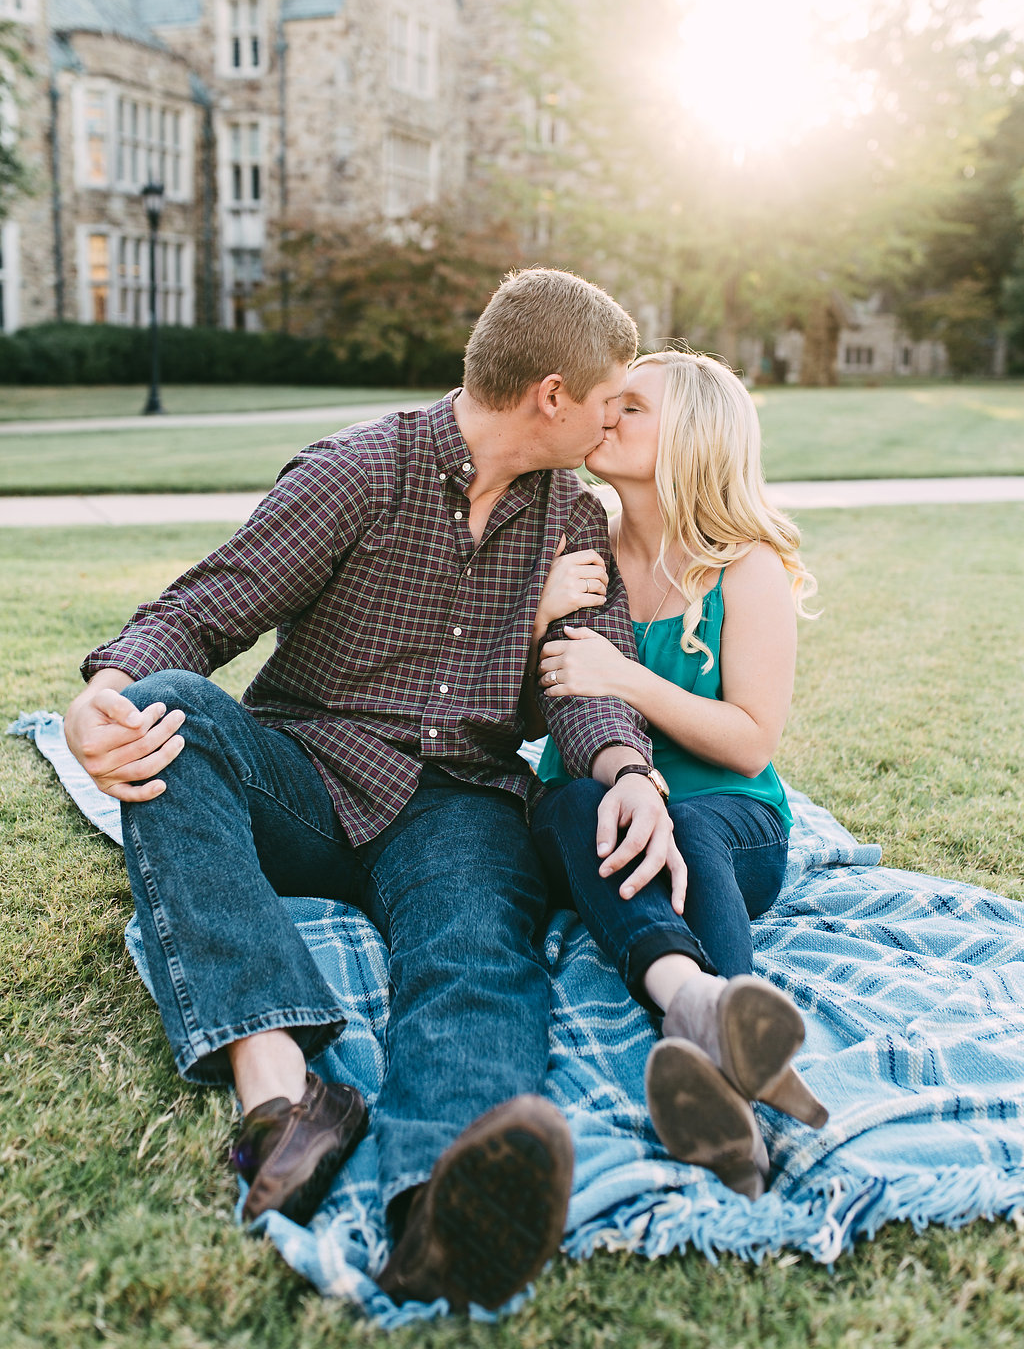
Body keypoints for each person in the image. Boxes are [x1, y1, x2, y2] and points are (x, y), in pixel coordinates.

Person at [63, 269, 677, 1312]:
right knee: (167, 710)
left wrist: (625, 773)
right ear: (551, 395)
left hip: (457, 803)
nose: (617, 417)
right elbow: (211, 606)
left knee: (475, 951)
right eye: (610, 397)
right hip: (305, 771)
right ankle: (284, 1095)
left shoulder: (571, 519)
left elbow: (588, 678)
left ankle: (443, 1198)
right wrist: (104, 694)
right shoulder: (361, 470)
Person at [529, 350, 826, 1200]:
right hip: (597, 819)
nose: (605, 416)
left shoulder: (745, 567)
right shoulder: (573, 545)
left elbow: (750, 743)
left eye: (632, 408)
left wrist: (624, 677)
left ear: (690, 439)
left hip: (729, 825)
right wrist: (537, 613)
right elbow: (513, 698)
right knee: (571, 802)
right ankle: (714, 1032)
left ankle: (725, 1083)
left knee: (689, 826)